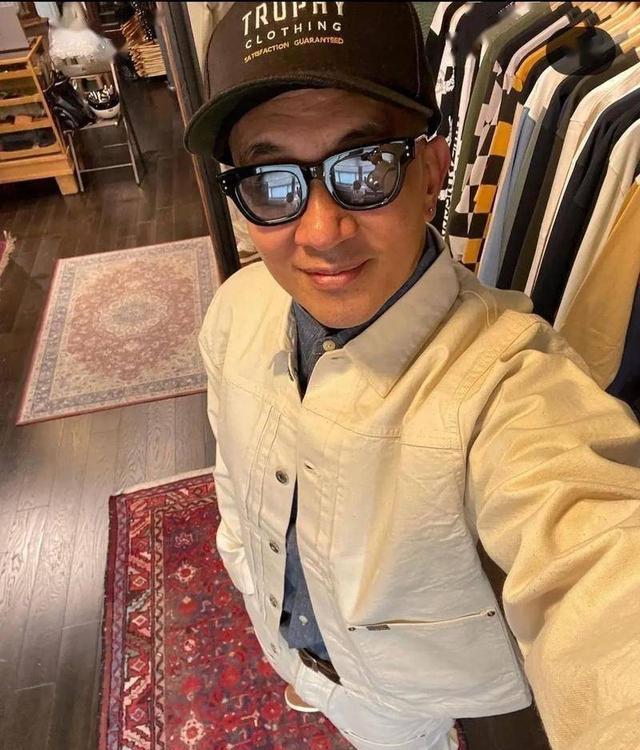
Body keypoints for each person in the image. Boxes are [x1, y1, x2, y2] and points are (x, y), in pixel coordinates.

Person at [187, 3, 640, 749]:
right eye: (271, 181)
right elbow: (233, 476)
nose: (322, 232)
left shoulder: (508, 384)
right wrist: (245, 567)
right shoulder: (236, 310)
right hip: (289, 644)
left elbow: (597, 559)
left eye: (365, 167)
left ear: (431, 173)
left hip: (414, 698)